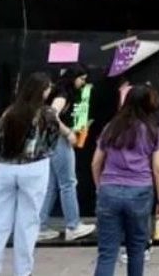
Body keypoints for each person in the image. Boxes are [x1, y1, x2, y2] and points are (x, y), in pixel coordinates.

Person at [0, 72, 73, 276]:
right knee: (27, 224)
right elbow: (51, 144)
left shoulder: (9, 112)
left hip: (5, 167)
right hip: (34, 167)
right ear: (43, 91)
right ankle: (23, 271)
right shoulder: (47, 114)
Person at [92, 84, 159, 276]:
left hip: (109, 190)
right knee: (136, 250)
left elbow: (95, 163)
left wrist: (100, 187)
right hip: (140, 192)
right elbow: (158, 169)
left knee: (107, 253)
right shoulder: (152, 131)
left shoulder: (111, 128)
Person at [38, 64, 96, 242]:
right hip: (59, 140)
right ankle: (73, 225)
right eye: (82, 79)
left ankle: (39, 226)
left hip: (48, 140)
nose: (83, 83)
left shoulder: (57, 92)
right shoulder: (63, 94)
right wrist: (68, 133)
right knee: (68, 183)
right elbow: (51, 115)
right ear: (74, 78)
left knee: (51, 185)